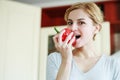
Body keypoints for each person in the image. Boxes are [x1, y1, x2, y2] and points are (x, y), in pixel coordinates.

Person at [46, 2, 120, 80]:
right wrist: (66, 60)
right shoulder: (55, 59)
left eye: (81, 22)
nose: (73, 28)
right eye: (70, 23)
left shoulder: (113, 64)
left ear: (96, 28)